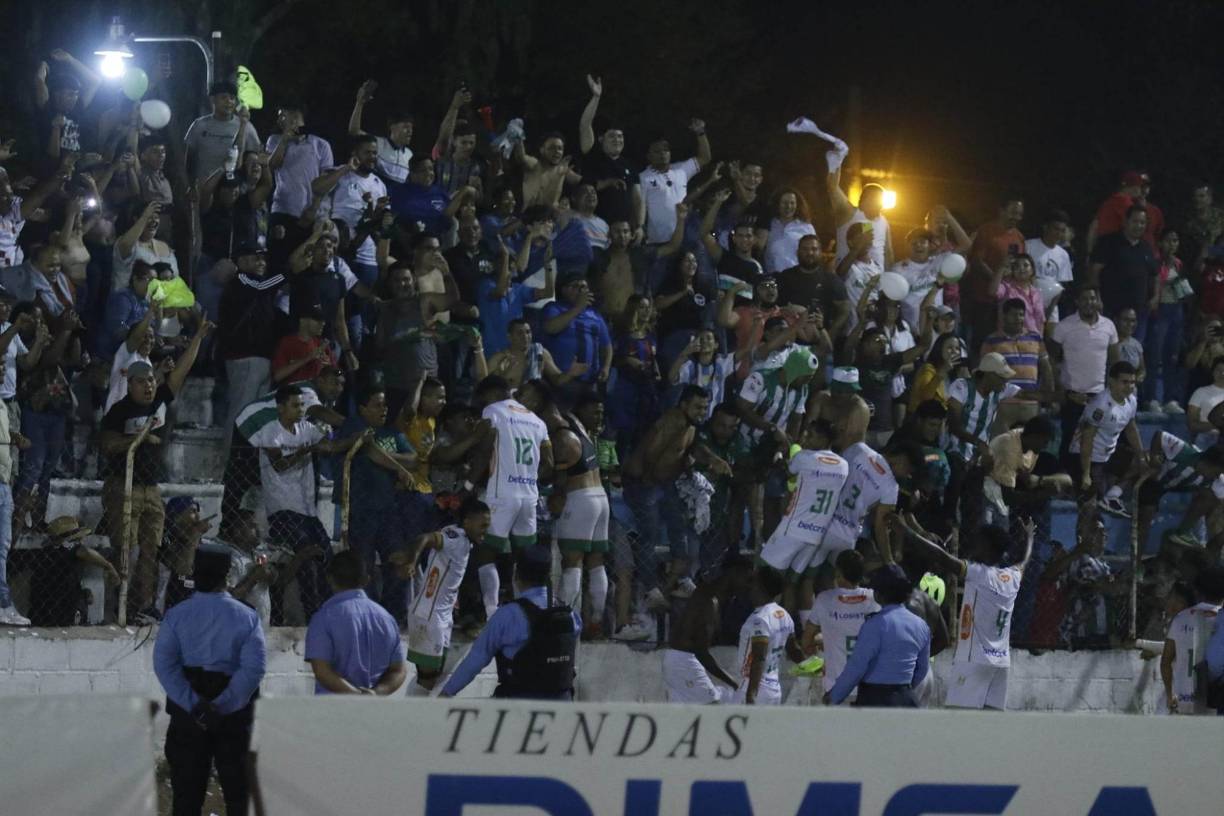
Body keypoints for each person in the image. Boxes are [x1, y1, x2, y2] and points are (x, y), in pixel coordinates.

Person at [100, 322, 210, 622]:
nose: (149, 385)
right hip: (123, 486)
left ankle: (143, 608)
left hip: (152, 488)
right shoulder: (119, 411)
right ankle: (117, 609)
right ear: (130, 383)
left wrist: (198, 337)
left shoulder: (159, 400)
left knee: (151, 552)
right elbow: (107, 444)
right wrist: (139, 439)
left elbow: (180, 373)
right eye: (142, 381)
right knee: (128, 552)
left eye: (151, 379)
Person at [153, 544, 265, 816]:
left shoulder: (177, 615)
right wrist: (223, 705)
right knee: (239, 796)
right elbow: (254, 669)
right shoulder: (247, 616)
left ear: (195, 573)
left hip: (189, 707)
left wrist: (195, 704)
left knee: (186, 796)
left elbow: (165, 666)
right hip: (235, 711)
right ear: (227, 576)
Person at [247, 385, 366, 620]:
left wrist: (357, 436)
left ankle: (329, 610)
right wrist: (307, 450)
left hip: (307, 511)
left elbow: (331, 446)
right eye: (295, 405)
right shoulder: (271, 432)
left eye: (303, 405)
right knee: (307, 560)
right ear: (280, 408)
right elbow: (279, 465)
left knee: (326, 558)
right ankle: (314, 615)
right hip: (282, 509)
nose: (301, 410)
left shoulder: (306, 428)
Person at [517, 380, 611, 630]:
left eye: (525, 397)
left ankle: (566, 621)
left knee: (572, 562)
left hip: (580, 498)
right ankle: (596, 621)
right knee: (596, 561)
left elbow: (558, 479)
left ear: (538, 401)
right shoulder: (574, 422)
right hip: (599, 496)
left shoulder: (560, 434)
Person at [910, 523, 1034, 711]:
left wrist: (906, 531)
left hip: (973, 660)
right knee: (989, 725)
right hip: (1001, 663)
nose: (974, 545)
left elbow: (940, 556)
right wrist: (1030, 538)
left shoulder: (978, 573)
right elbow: (1025, 561)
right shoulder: (1012, 577)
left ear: (988, 548)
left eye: (979, 542)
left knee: (957, 720)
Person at [440, 546, 581, 700]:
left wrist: (446, 693)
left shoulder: (508, 616)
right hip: (563, 710)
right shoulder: (571, 616)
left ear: (516, 575)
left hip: (516, 710)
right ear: (547, 576)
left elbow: (476, 660)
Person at [472, 376, 552, 619]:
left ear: (493, 394)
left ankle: (491, 613)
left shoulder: (493, 411)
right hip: (528, 496)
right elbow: (549, 463)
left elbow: (485, 449)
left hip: (501, 494)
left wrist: (469, 483)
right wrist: (526, 477)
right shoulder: (538, 421)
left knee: (486, 552)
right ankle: (532, 611)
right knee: (526, 557)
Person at [397, 497, 491, 695]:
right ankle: (408, 721)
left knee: (434, 676)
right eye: (482, 525)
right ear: (467, 523)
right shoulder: (455, 538)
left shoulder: (465, 542)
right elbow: (424, 538)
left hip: (441, 614)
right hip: (429, 615)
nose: (486, 530)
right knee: (427, 679)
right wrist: (412, 562)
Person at [758, 419, 850, 597]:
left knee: (764, 577)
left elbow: (787, 472)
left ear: (824, 439)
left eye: (811, 436)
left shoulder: (805, 458)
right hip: (815, 535)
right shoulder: (844, 465)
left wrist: (779, 453)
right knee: (790, 584)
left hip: (793, 529)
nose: (806, 439)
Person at [824, 564, 931, 708]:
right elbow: (922, 669)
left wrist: (834, 696)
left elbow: (856, 667)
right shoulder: (921, 625)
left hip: (875, 699)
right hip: (906, 699)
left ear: (879, 594)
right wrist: (903, 689)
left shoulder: (875, 624)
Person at [304, 550, 407, 696]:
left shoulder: (323, 618)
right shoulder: (386, 618)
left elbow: (322, 671)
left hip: (331, 710)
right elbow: (398, 670)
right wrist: (375, 693)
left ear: (329, 579)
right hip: (372, 710)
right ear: (366, 580)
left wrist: (356, 695)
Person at [662, 555, 754, 703]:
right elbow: (701, 653)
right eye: (747, 579)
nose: (748, 586)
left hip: (679, 660)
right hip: (683, 661)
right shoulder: (709, 601)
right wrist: (733, 682)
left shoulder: (712, 596)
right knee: (714, 709)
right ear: (734, 573)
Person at [1048, 286, 1119, 462]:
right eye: (1085, 299)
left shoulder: (1109, 326)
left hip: (1098, 396)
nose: (1089, 303)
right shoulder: (1064, 327)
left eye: (1093, 299)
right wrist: (1060, 391)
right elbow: (1051, 360)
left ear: (1098, 302)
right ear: (1077, 302)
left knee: (1097, 444)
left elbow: (1114, 362)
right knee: (1069, 440)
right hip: (1072, 394)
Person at [801, 550, 880, 703]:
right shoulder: (874, 599)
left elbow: (806, 642)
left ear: (838, 572)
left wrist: (822, 640)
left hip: (835, 688)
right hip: (869, 687)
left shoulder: (824, 600)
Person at [1070, 361, 1145, 509]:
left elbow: (1130, 428)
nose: (1129, 386)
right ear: (1111, 381)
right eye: (1124, 382)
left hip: (1109, 454)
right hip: (1087, 457)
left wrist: (1141, 455)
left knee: (1147, 461)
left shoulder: (1132, 401)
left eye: (1132, 382)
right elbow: (1087, 439)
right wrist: (1086, 473)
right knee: (1089, 508)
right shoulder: (1100, 405)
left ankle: (1112, 495)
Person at [732, 569, 803, 705]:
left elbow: (759, 657)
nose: (749, 586)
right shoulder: (784, 614)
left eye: (752, 582)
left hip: (753, 688)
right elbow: (794, 650)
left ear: (760, 587)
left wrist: (751, 695)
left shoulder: (759, 619)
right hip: (774, 690)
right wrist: (811, 665)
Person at [1088, 205, 1159, 335]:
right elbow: (1094, 271)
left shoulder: (1146, 247)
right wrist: (1096, 298)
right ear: (1126, 222)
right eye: (1135, 221)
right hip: (1111, 309)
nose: (1139, 226)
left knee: (1133, 350)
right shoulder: (1109, 242)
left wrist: (1155, 296)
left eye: (1142, 222)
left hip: (1138, 313)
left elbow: (1155, 274)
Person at [1162, 567, 1224, 715]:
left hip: (1184, 700)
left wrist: (1170, 695)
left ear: (1197, 591)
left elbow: (1166, 661)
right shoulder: (1220, 620)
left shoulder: (1181, 618)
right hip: (1214, 700)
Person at [640, 120, 710, 245]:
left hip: (685, 239)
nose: (663, 154)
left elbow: (705, 157)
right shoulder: (643, 178)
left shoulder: (681, 169)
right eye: (657, 151)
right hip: (658, 242)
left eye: (666, 150)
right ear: (648, 156)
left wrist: (700, 132)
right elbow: (639, 208)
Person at [540, 272, 613, 388]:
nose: (580, 290)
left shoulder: (595, 314)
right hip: (562, 378)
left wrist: (606, 367)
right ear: (563, 290)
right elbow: (551, 328)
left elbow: (607, 346)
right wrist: (578, 308)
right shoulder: (554, 308)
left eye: (583, 287)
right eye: (575, 286)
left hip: (591, 382)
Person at [775, 234, 850, 339]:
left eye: (814, 249)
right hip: (788, 343)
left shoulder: (831, 280)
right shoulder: (785, 276)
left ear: (820, 252)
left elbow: (845, 310)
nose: (809, 253)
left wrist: (829, 336)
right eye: (805, 249)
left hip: (819, 342)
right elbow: (772, 306)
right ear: (797, 252)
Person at [184, 81, 259, 183]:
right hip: (205, 187)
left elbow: (255, 159)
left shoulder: (246, 126)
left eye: (232, 98)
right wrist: (191, 185)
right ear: (213, 99)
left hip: (233, 190)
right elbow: (190, 159)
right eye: (224, 97)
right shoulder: (199, 125)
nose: (229, 102)